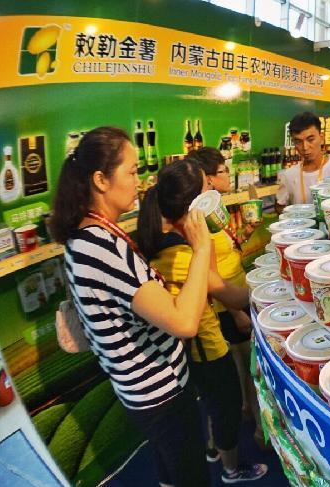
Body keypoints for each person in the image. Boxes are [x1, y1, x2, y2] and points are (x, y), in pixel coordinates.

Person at [52, 127, 211, 486]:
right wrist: (201, 250)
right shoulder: (100, 246)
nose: (139, 182)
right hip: (160, 392)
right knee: (191, 476)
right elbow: (185, 322)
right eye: (132, 171)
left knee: (172, 472)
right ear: (101, 180)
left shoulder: (91, 236)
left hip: (143, 389)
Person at [137, 159, 267, 484]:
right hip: (206, 347)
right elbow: (230, 295)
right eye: (207, 187)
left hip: (195, 350)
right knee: (227, 404)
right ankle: (232, 470)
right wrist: (273, 288)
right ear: (194, 203)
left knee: (214, 402)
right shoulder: (178, 255)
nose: (213, 191)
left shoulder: (170, 240)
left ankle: (215, 452)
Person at [190, 146, 264, 448]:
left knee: (242, 364)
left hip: (235, 295)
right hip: (227, 306)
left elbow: (230, 248)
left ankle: (246, 413)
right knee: (245, 366)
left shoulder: (210, 216)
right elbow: (210, 275)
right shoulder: (196, 221)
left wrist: (248, 226)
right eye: (222, 172)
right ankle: (256, 428)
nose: (227, 176)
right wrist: (236, 311)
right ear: (206, 179)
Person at [275, 111, 330, 209]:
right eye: (298, 141)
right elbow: (279, 205)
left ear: (321, 138)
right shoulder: (289, 175)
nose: (305, 147)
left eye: (310, 139)